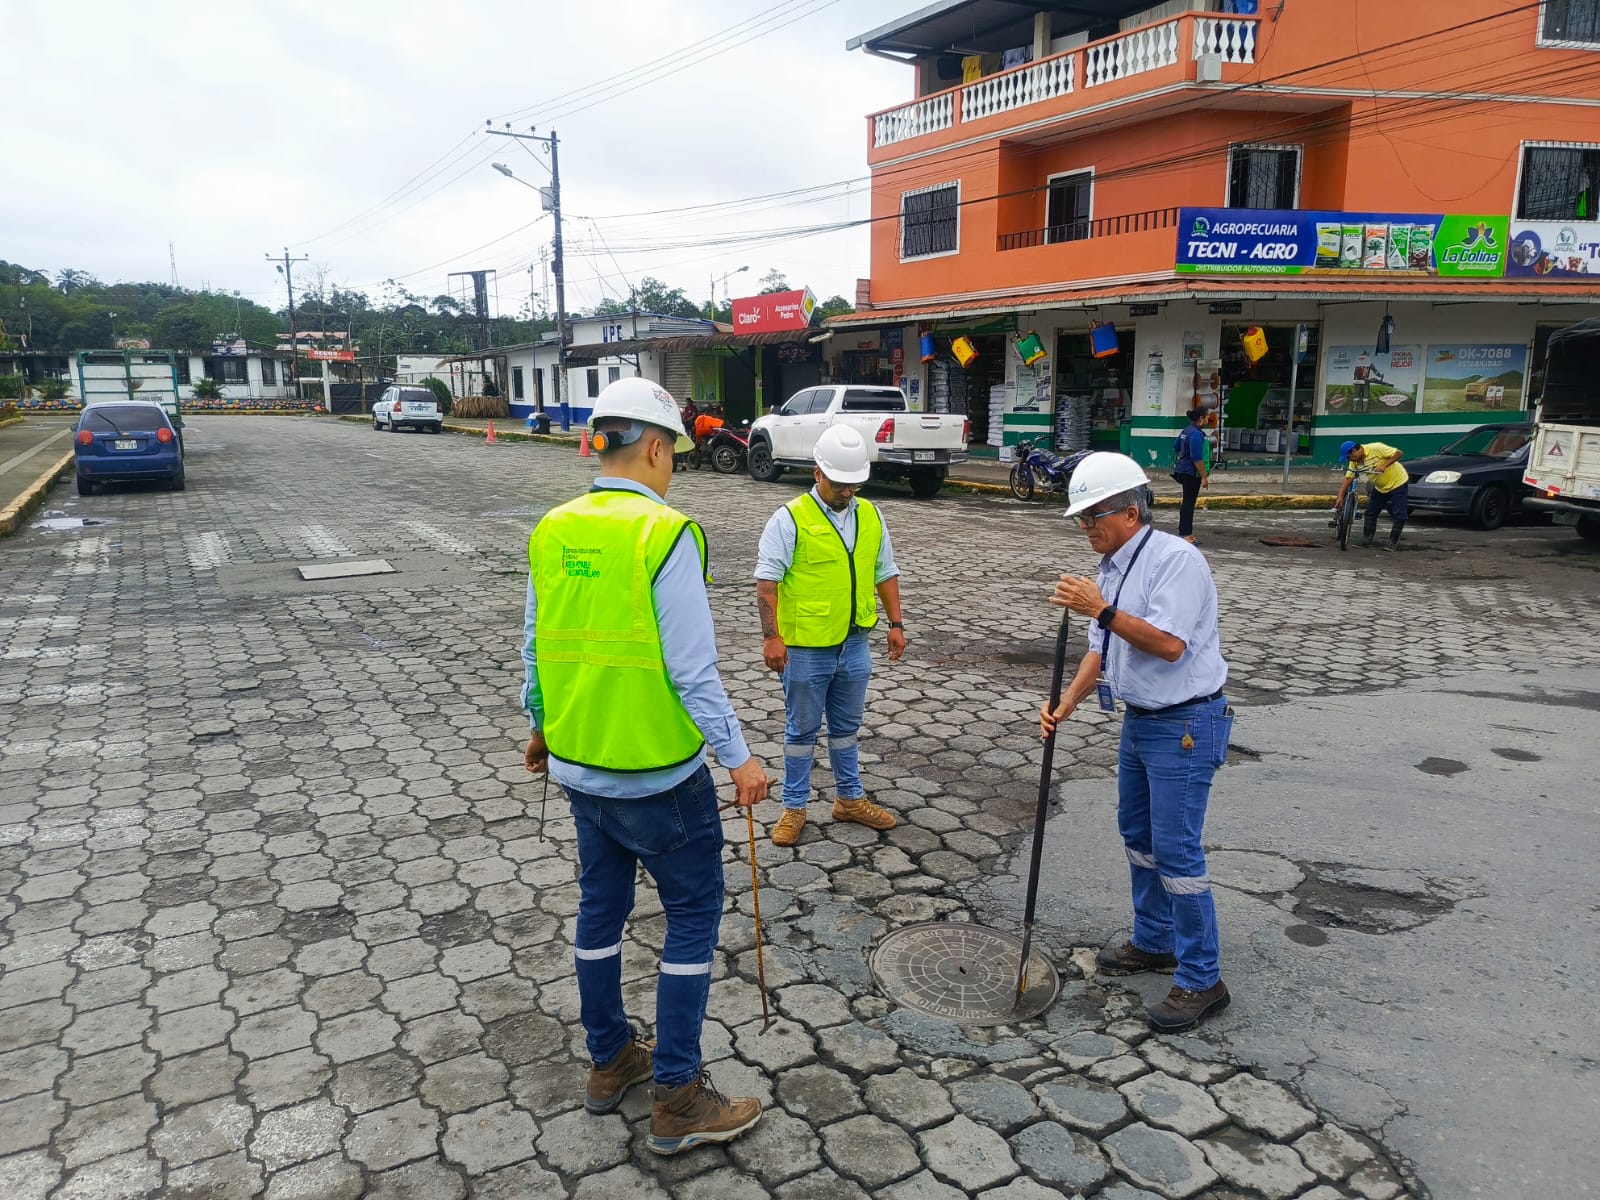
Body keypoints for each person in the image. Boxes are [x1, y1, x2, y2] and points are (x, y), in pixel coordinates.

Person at [521, 376, 768, 1156]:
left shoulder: (553, 528)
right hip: (660, 777)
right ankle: (678, 1097)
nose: (674, 470)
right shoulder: (667, 534)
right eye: (675, 456)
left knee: (600, 912)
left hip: (580, 769)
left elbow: (533, 645)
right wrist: (740, 758)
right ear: (657, 448)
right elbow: (694, 671)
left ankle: (610, 1061)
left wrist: (540, 727)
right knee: (692, 917)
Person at [1038, 452, 1234, 1033]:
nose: (1086, 526)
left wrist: (1101, 608)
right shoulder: (1110, 568)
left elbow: (1169, 645)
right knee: (1139, 836)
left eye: (1093, 515)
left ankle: (1202, 977)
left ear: (1130, 511)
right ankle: (1155, 939)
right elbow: (1101, 648)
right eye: (1081, 517)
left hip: (1185, 723)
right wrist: (1067, 702)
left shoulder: (1176, 561)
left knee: (1178, 852)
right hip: (1142, 720)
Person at [754, 426, 907, 847]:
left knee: (846, 728)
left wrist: (896, 625)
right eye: (839, 483)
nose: (847, 491)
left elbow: (885, 571)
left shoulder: (871, 515)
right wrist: (772, 637)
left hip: (855, 643)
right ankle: (794, 807)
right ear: (818, 472)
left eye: (854, 483)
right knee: (801, 731)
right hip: (805, 648)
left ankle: (849, 800)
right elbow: (767, 583)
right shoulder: (789, 519)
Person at [1333, 439, 1408, 550]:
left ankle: (1392, 542)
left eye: (1349, 457)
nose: (1349, 460)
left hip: (1398, 483)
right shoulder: (1354, 461)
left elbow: (1399, 453)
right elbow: (1348, 478)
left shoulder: (1375, 448)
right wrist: (1340, 496)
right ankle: (1367, 539)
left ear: (1354, 451)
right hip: (1380, 487)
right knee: (1370, 513)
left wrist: (1384, 466)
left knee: (1399, 514)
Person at [1171, 406, 1210, 543]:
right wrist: (1204, 476)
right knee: (1188, 502)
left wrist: (1183, 457)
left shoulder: (1186, 430)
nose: (1208, 419)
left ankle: (1187, 533)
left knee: (1188, 501)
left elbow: (1176, 447)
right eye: (1207, 416)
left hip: (1182, 470)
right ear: (1201, 418)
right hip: (1191, 473)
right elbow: (1197, 458)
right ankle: (1186, 534)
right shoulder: (1196, 434)